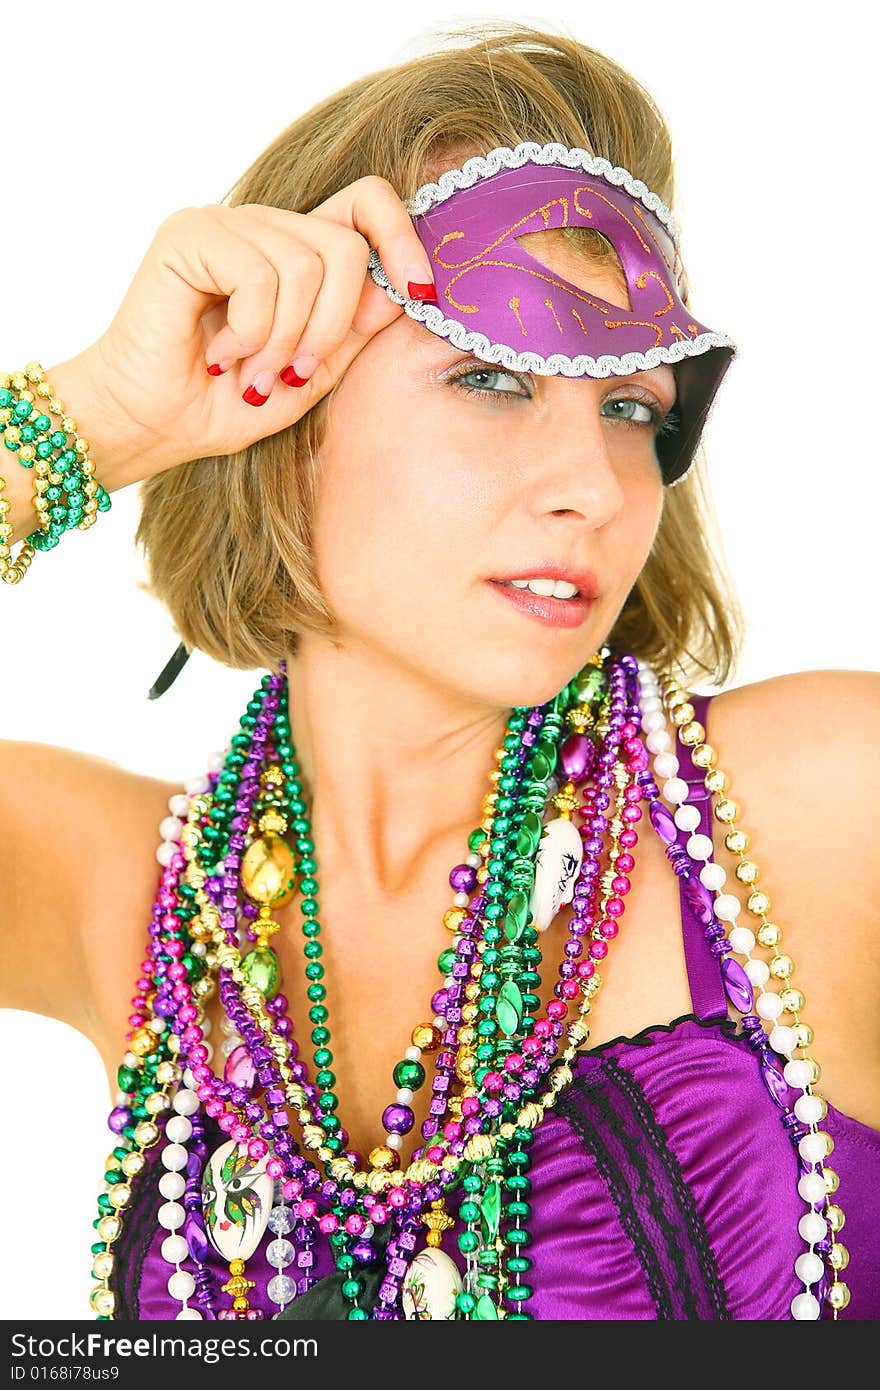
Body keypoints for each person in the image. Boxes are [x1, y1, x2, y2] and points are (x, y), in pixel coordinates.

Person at [1, 24, 877, 1322]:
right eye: (491, 376)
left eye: (632, 407)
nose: (592, 485)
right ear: (275, 407)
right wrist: (91, 422)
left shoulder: (821, 808)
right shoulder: (114, 888)